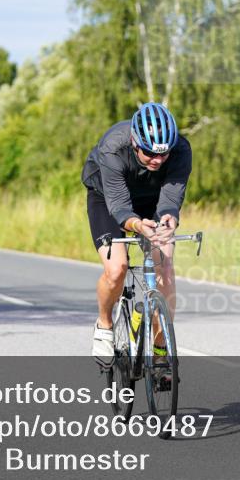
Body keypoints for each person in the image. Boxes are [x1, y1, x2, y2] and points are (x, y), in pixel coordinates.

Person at [81, 102, 192, 361]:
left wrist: (169, 218)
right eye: (149, 153)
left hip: (152, 198)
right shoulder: (113, 147)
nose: (157, 160)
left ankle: (160, 347)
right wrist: (138, 225)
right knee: (117, 268)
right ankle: (104, 325)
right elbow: (119, 207)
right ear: (134, 143)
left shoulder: (181, 149)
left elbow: (170, 198)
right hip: (107, 198)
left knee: (165, 266)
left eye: (163, 155)